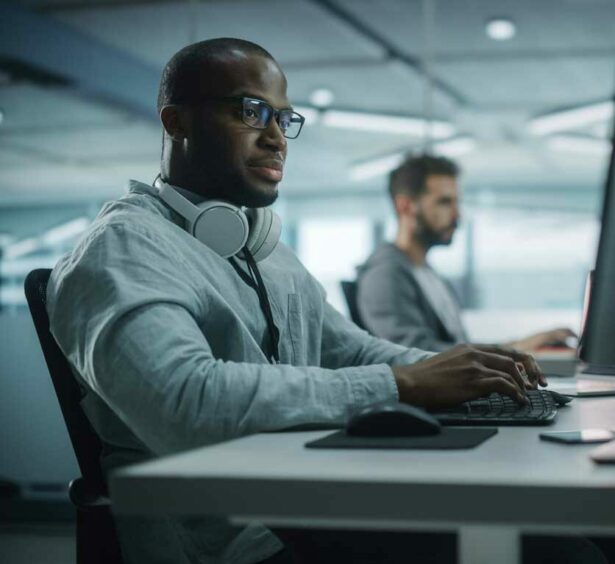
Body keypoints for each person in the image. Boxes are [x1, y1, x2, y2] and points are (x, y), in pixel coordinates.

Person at [47, 39, 589, 564]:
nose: (276, 137)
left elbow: (351, 350)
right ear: (177, 122)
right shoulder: (123, 248)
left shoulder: (263, 248)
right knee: (553, 548)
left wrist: (472, 371)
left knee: (562, 531)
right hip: (234, 542)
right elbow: (185, 401)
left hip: (301, 508)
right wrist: (406, 384)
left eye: (284, 119)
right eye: (252, 112)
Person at [356, 154, 576, 353]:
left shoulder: (428, 273)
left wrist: (520, 347)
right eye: (444, 202)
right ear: (405, 206)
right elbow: (417, 357)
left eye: (457, 202)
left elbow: (457, 348)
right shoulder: (385, 275)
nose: (457, 215)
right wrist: (515, 350)